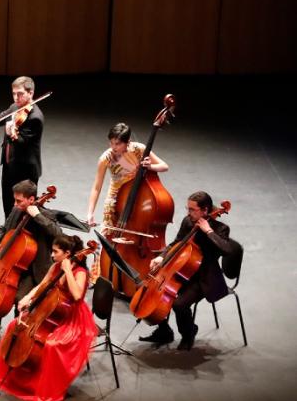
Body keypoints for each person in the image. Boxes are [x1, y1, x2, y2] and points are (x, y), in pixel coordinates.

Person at [0, 234, 98, 401]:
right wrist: (26, 298)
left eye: (55, 251)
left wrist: (67, 271)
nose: (51, 255)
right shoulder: (56, 266)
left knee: (51, 344)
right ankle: (15, 378)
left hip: (70, 318)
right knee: (15, 325)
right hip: (49, 312)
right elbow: (42, 285)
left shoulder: (80, 272)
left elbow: (77, 295)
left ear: (67, 253)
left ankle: (43, 387)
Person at [0, 180, 61, 343]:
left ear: (31, 199)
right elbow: (3, 228)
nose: (15, 204)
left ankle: (17, 340)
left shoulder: (46, 215)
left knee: (20, 299)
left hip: (32, 270)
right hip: (9, 263)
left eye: (19, 201)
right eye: (15, 200)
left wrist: (37, 215)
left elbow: (58, 234)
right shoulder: (16, 210)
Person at [140, 191, 239, 350]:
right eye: (188, 208)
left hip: (204, 277)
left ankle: (189, 333)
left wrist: (208, 231)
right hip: (182, 271)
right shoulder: (188, 221)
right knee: (156, 294)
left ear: (205, 210)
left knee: (179, 305)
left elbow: (227, 250)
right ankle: (164, 331)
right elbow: (176, 243)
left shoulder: (221, 228)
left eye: (192, 210)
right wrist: (162, 257)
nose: (188, 213)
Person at [0, 76, 44, 218]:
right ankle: (9, 235)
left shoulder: (35, 118)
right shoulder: (15, 107)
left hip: (25, 171)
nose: (16, 97)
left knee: (22, 212)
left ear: (31, 93)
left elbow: (22, 143)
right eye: (14, 93)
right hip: (9, 165)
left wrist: (11, 133)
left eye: (20, 94)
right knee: (8, 206)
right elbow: (3, 116)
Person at [85, 122, 169, 228]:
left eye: (118, 144)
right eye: (111, 143)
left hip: (138, 195)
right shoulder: (105, 158)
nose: (113, 147)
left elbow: (164, 166)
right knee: (109, 232)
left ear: (128, 142)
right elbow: (97, 187)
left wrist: (150, 166)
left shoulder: (139, 149)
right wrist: (90, 213)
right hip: (116, 198)